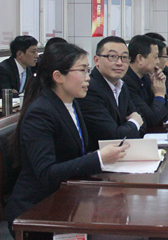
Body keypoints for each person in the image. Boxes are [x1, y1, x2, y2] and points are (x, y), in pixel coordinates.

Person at [5, 43, 128, 234]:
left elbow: (75, 154)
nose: (88, 77)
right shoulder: (40, 113)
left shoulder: (71, 103)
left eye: (88, 70)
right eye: (82, 70)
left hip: (66, 198)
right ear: (58, 76)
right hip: (37, 208)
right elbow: (46, 173)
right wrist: (99, 158)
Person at [77, 36, 145, 151]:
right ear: (97, 60)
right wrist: (134, 123)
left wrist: (131, 126)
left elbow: (142, 122)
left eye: (124, 57)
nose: (119, 63)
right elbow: (113, 137)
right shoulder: (90, 89)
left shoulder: (121, 85)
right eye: (112, 57)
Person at [122, 35, 168, 128]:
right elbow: (151, 119)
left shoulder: (146, 77)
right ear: (140, 59)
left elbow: (162, 109)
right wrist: (159, 95)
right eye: (155, 57)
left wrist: (161, 86)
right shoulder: (126, 83)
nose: (157, 61)